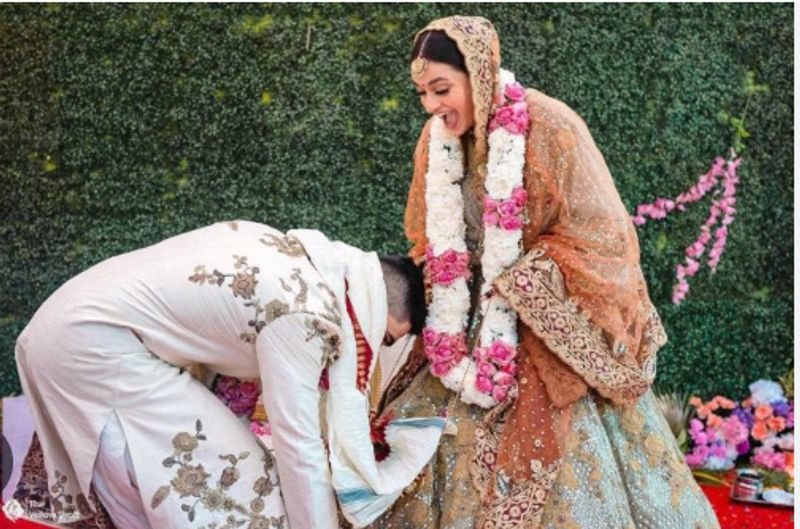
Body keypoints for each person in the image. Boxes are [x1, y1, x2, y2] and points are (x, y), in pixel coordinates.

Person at [369, 16, 720, 529]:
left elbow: (606, 240)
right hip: (466, 334)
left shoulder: (549, 125)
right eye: (422, 93)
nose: (431, 106)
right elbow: (431, 240)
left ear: (479, 73)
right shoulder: (435, 141)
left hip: (544, 335)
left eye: (441, 89)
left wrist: (525, 281)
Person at [13, 220, 448, 529]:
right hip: (92, 345)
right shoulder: (306, 312)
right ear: (376, 311)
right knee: (242, 487)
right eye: (388, 339)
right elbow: (298, 446)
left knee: (159, 491)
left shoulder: (290, 256)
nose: (377, 350)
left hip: (65, 329)